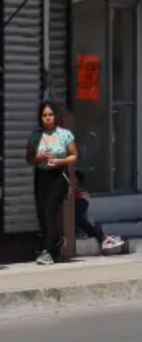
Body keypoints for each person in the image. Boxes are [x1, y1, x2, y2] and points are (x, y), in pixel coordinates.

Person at [26, 102, 77, 265]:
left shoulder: (64, 134)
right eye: (44, 115)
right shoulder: (35, 135)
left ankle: (46, 251)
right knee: (42, 213)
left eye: (50, 114)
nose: (48, 118)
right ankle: (55, 242)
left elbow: (74, 155)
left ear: (55, 116)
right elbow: (29, 158)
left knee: (49, 211)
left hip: (58, 175)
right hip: (41, 176)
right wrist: (39, 158)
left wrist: (60, 161)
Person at [73, 171, 125, 254]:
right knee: (77, 218)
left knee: (76, 218)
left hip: (80, 199)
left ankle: (103, 237)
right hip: (77, 201)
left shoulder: (80, 194)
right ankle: (102, 237)